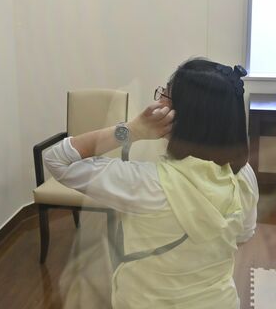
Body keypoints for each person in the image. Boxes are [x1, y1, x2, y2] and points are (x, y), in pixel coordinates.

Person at [44, 59, 259, 309]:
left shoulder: (147, 184)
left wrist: (132, 130)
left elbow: (57, 160)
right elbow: (244, 233)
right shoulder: (244, 175)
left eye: (165, 95)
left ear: (184, 116)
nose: (157, 102)